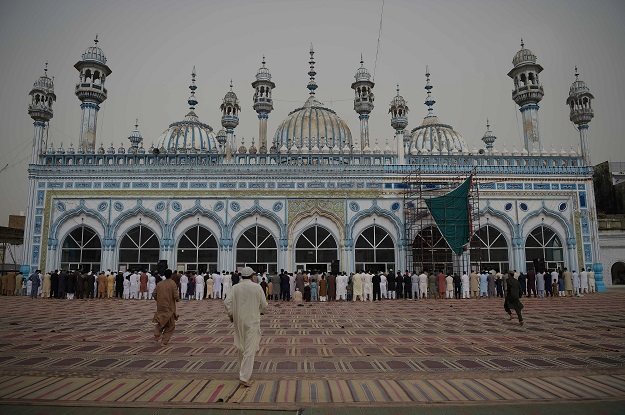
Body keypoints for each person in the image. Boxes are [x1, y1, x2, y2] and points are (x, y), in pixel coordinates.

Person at [224, 267, 268, 388]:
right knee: (249, 349)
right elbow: (264, 305)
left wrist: (231, 314)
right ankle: (244, 377)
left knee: (241, 347)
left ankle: (242, 372)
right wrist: (262, 311)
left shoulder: (235, 287)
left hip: (238, 321)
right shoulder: (257, 287)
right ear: (252, 276)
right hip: (252, 320)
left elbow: (227, 302)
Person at [153, 269, 180, 346]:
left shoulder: (159, 284)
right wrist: (177, 299)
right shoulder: (172, 283)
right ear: (171, 275)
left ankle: (157, 334)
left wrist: (159, 300)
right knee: (171, 325)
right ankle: (164, 341)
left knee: (161, 321)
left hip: (161, 306)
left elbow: (154, 294)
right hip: (169, 307)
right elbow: (175, 295)